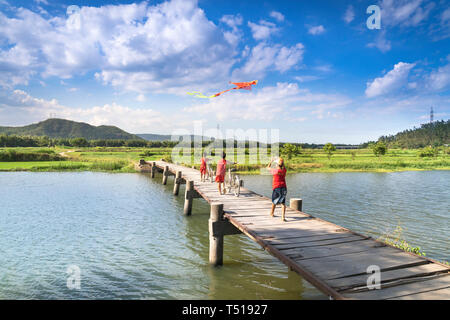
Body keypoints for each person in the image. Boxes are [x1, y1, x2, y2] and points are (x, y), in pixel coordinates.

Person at [267, 157, 287, 221]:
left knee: (274, 201)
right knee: (283, 203)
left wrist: (271, 161)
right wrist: (281, 162)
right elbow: (283, 166)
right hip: (284, 187)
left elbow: (267, 167)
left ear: (277, 165)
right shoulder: (284, 170)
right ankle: (283, 217)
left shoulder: (275, 171)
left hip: (277, 187)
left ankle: (272, 213)